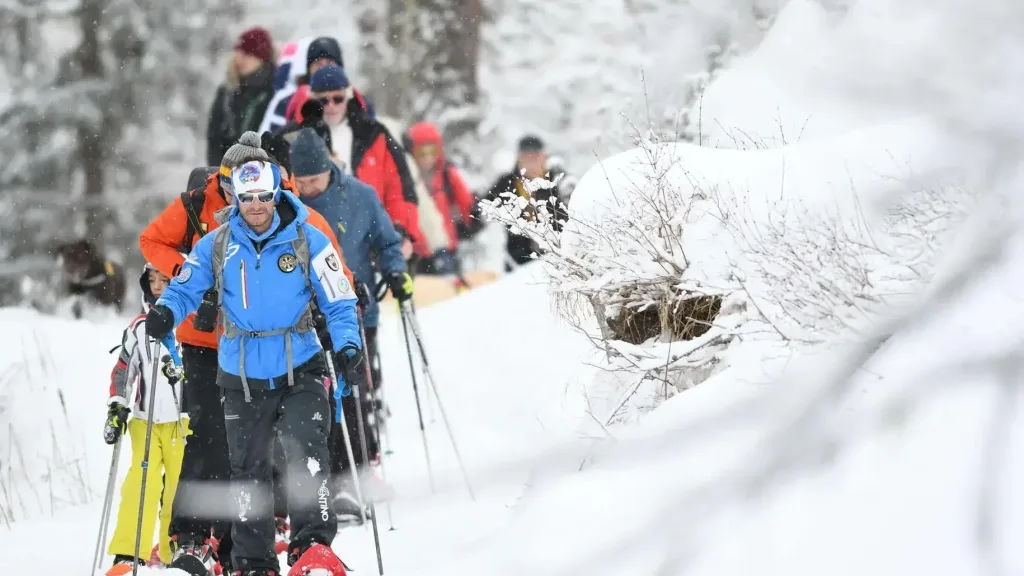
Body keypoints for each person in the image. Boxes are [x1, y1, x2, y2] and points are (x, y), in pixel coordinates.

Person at [139, 131, 354, 575]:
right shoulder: (217, 244)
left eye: (263, 196)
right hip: (240, 374)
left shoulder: (307, 237)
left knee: (306, 452)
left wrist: (347, 342)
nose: (256, 206)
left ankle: (312, 548)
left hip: (300, 363)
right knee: (248, 474)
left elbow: (339, 298)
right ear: (235, 197)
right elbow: (185, 286)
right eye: (247, 197)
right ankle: (254, 563)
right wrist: (165, 313)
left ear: (276, 192)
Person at [289, 128, 412, 521]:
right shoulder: (288, 205)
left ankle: (359, 472)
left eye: (314, 180)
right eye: (300, 180)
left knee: (356, 392)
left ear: (329, 169)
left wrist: (395, 272)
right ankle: (327, 478)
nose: (307, 188)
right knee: (319, 400)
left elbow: (388, 242)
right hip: (306, 319)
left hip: (356, 313)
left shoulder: (360, 196)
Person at [103, 265, 188, 573]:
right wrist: (117, 405)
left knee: (180, 488)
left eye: (164, 280)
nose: (157, 287)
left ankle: (175, 549)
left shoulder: (190, 325)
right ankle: (129, 552)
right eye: (152, 281)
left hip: (183, 422)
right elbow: (123, 370)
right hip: (145, 420)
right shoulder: (139, 327)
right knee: (142, 484)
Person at [301, 65, 423, 255]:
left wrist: (401, 231)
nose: (331, 106)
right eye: (323, 100)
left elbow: (399, 188)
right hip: (315, 241)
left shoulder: (374, 135)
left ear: (348, 96)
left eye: (338, 99)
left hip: (370, 241)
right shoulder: (297, 137)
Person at [406, 121, 483, 278]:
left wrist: (473, 218)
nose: (428, 157)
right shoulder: (406, 179)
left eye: (432, 151)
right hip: (418, 254)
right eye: (422, 152)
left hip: (447, 249)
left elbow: (465, 202)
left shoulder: (447, 174)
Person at [485, 134, 569, 270]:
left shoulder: (559, 181)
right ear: (518, 158)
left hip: (559, 258)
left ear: (544, 157)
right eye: (526, 158)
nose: (531, 163)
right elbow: (483, 209)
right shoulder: (507, 183)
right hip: (517, 259)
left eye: (535, 157)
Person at [207, 27, 277, 166]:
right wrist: (219, 171)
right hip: (228, 169)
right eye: (238, 53)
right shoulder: (227, 91)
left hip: (265, 169)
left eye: (247, 54)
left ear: (262, 58)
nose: (240, 59)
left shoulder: (276, 91)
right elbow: (214, 137)